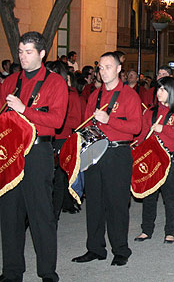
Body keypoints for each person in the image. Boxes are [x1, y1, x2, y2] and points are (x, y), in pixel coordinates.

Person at [0, 32, 68, 282]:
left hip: (38, 151)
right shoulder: (10, 82)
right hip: (10, 151)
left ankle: (47, 272)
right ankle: (11, 271)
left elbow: (57, 121)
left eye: (28, 52)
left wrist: (24, 110)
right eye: (20, 51)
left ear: (42, 54)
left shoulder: (55, 83)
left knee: (40, 214)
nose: (23, 56)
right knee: (9, 214)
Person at [72, 52, 142, 267]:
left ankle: (120, 249)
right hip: (95, 153)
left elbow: (136, 128)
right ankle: (95, 248)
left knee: (117, 204)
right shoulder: (95, 95)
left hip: (117, 154)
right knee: (93, 203)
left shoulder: (129, 96)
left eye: (108, 66)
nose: (103, 71)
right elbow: (86, 124)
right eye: (100, 67)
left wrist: (110, 120)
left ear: (119, 68)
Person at [134, 76, 174, 244]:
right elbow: (142, 135)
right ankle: (146, 229)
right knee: (149, 195)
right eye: (158, 89)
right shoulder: (150, 112)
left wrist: (163, 129)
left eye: (163, 90)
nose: (158, 93)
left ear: (171, 91)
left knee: (169, 196)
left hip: (171, 158)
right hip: (152, 158)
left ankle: (170, 231)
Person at [51, 61, 84, 217]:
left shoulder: (71, 94)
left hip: (62, 138)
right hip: (45, 139)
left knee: (59, 179)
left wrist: (53, 118)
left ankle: (54, 214)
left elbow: (76, 121)